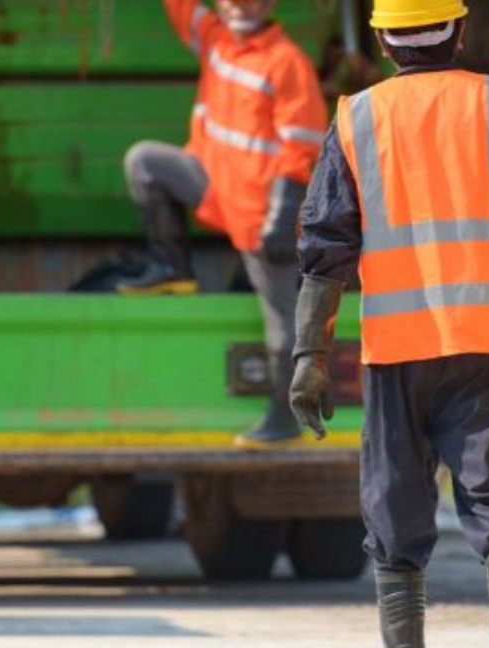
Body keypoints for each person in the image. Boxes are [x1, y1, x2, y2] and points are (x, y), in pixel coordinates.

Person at [287, 0, 489, 648]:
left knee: (394, 513)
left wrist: (310, 353)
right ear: (458, 28)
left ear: (385, 42)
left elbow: (325, 244)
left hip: (398, 350)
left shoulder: (358, 119)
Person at [119, 0, 328, 448]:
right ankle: (173, 270)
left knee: (282, 319)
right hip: (213, 184)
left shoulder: (286, 61)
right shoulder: (216, 40)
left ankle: (285, 417)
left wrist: (284, 213)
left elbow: (305, 144)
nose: (239, 4)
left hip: (258, 210)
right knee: (145, 162)